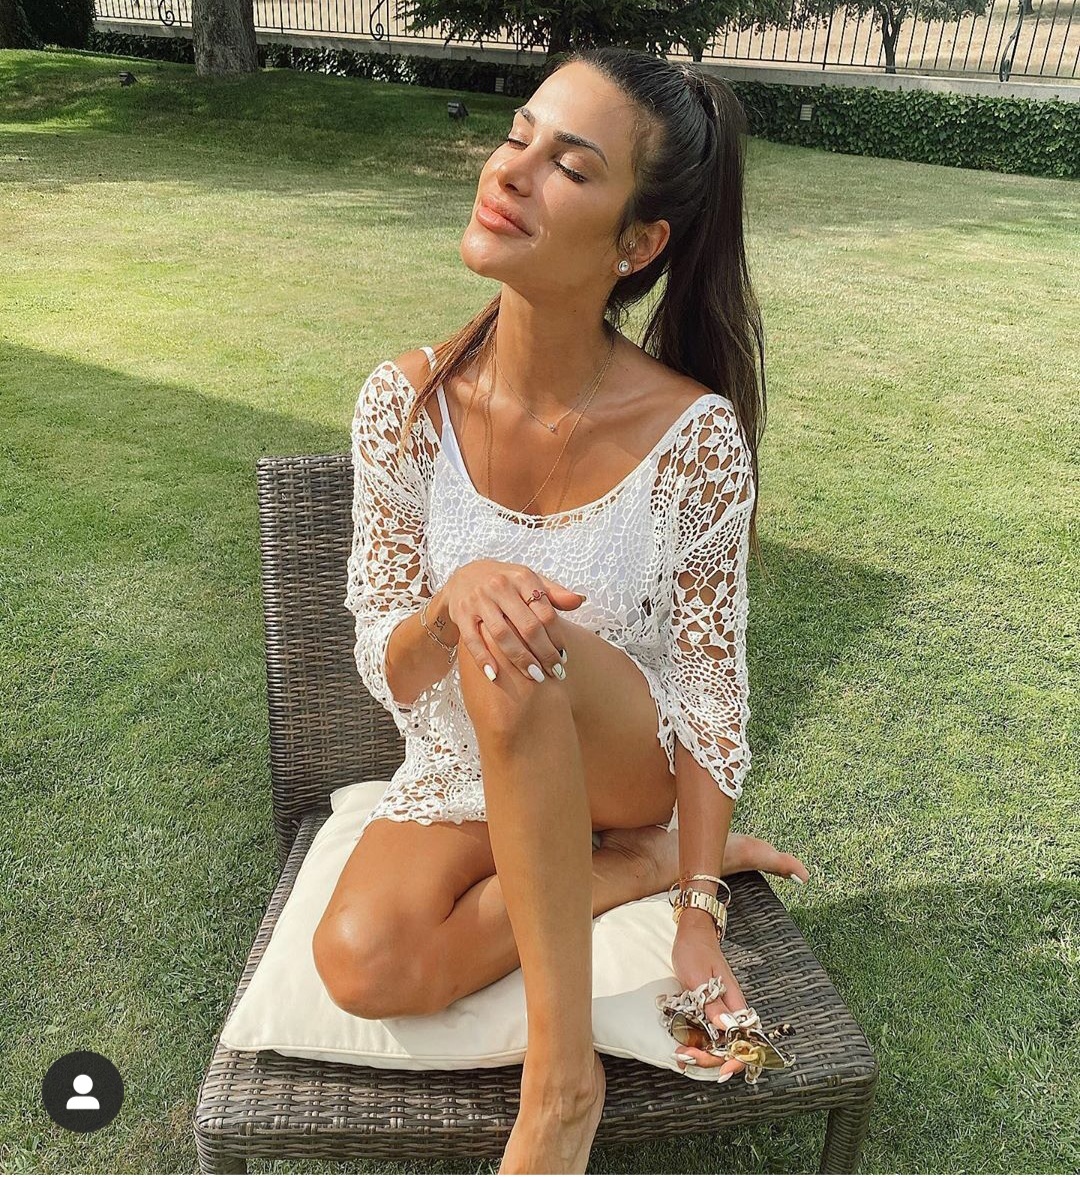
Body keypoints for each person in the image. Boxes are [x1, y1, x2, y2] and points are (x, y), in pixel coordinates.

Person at [313, 45, 810, 1173]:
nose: (511, 169)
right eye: (518, 136)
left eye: (570, 167)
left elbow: (712, 683)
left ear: (639, 244)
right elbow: (391, 670)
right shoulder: (405, 403)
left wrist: (699, 910)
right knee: (364, 960)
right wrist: (448, 604)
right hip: (468, 758)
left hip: (620, 755)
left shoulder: (693, 437)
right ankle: (624, 866)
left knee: (512, 643)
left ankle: (562, 1084)